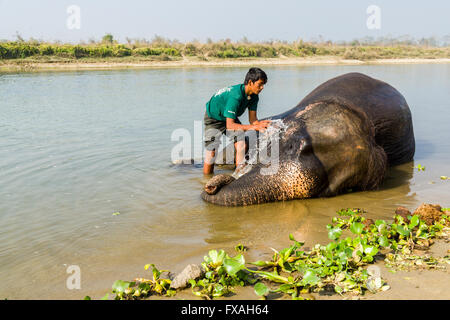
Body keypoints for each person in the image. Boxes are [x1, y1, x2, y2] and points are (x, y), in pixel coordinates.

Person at [203, 67, 271, 175]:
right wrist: (253, 127)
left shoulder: (254, 96)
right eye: (260, 84)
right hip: (214, 118)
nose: (262, 88)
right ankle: (206, 180)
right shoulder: (236, 96)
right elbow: (230, 125)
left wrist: (262, 125)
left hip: (230, 118)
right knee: (211, 152)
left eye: (264, 85)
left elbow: (253, 120)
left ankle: (238, 175)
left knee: (242, 144)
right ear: (250, 82)